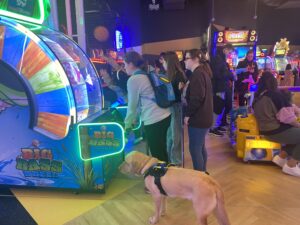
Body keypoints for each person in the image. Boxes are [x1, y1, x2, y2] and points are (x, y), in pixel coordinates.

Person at [124, 51, 171, 163]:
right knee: (162, 150)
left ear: (131, 64)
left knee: (157, 154)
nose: (124, 67)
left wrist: (127, 125)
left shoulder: (133, 80)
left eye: (125, 64)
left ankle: (162, 178)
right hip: (165, 115)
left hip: (154, 119)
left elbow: (132, 106)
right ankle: (166, 175)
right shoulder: (147, 74)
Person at [252, 71, 300, 177]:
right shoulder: (274, 95)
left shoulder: (258, 97)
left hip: (265, 131)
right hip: (276, 131)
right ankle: (291, 165)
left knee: (296, 136)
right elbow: (287, 118)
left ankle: (281, 158)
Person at [183, 49, 213, 172]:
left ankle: (199, 179)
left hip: (199, 118)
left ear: (195, 59)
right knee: (200, 147)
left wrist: (187, 115)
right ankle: (203, 174)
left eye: (187, 58)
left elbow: (197, 98)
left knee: (195, 149)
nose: (184, 61)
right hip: (204, 117)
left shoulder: (198, 74)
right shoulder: (203, 72)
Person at [161, 51, 186, 166]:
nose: (163, 64)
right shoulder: (170, 75)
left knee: (175, 136)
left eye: (164, 61)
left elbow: (181, 95)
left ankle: (176, 161)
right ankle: (171, 159)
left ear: (169, 62)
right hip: (171, 107)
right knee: (170, 135)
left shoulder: (178, 75)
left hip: (176, 107)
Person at [210, 44, 235, 137]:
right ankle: (212, 128)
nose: (229, 54)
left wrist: (229, 73)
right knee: (217, 108)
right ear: (225, 49)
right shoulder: (217, 58)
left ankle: (218, 125)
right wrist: (229, 74)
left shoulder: (221, 58)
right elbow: (216, 75)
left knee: (223, 106)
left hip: (223, 87)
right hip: (219, 88)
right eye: (229, 52)